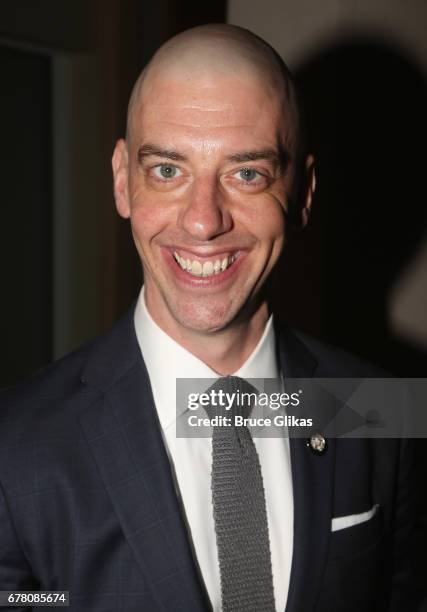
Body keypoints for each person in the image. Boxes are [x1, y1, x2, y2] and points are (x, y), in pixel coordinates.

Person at [0, 24, 421, 612]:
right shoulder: (15, 447)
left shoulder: (381, 409)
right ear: (123, 181)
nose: (203, 222)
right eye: (167, 170)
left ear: (302, 193)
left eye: (246, 173)